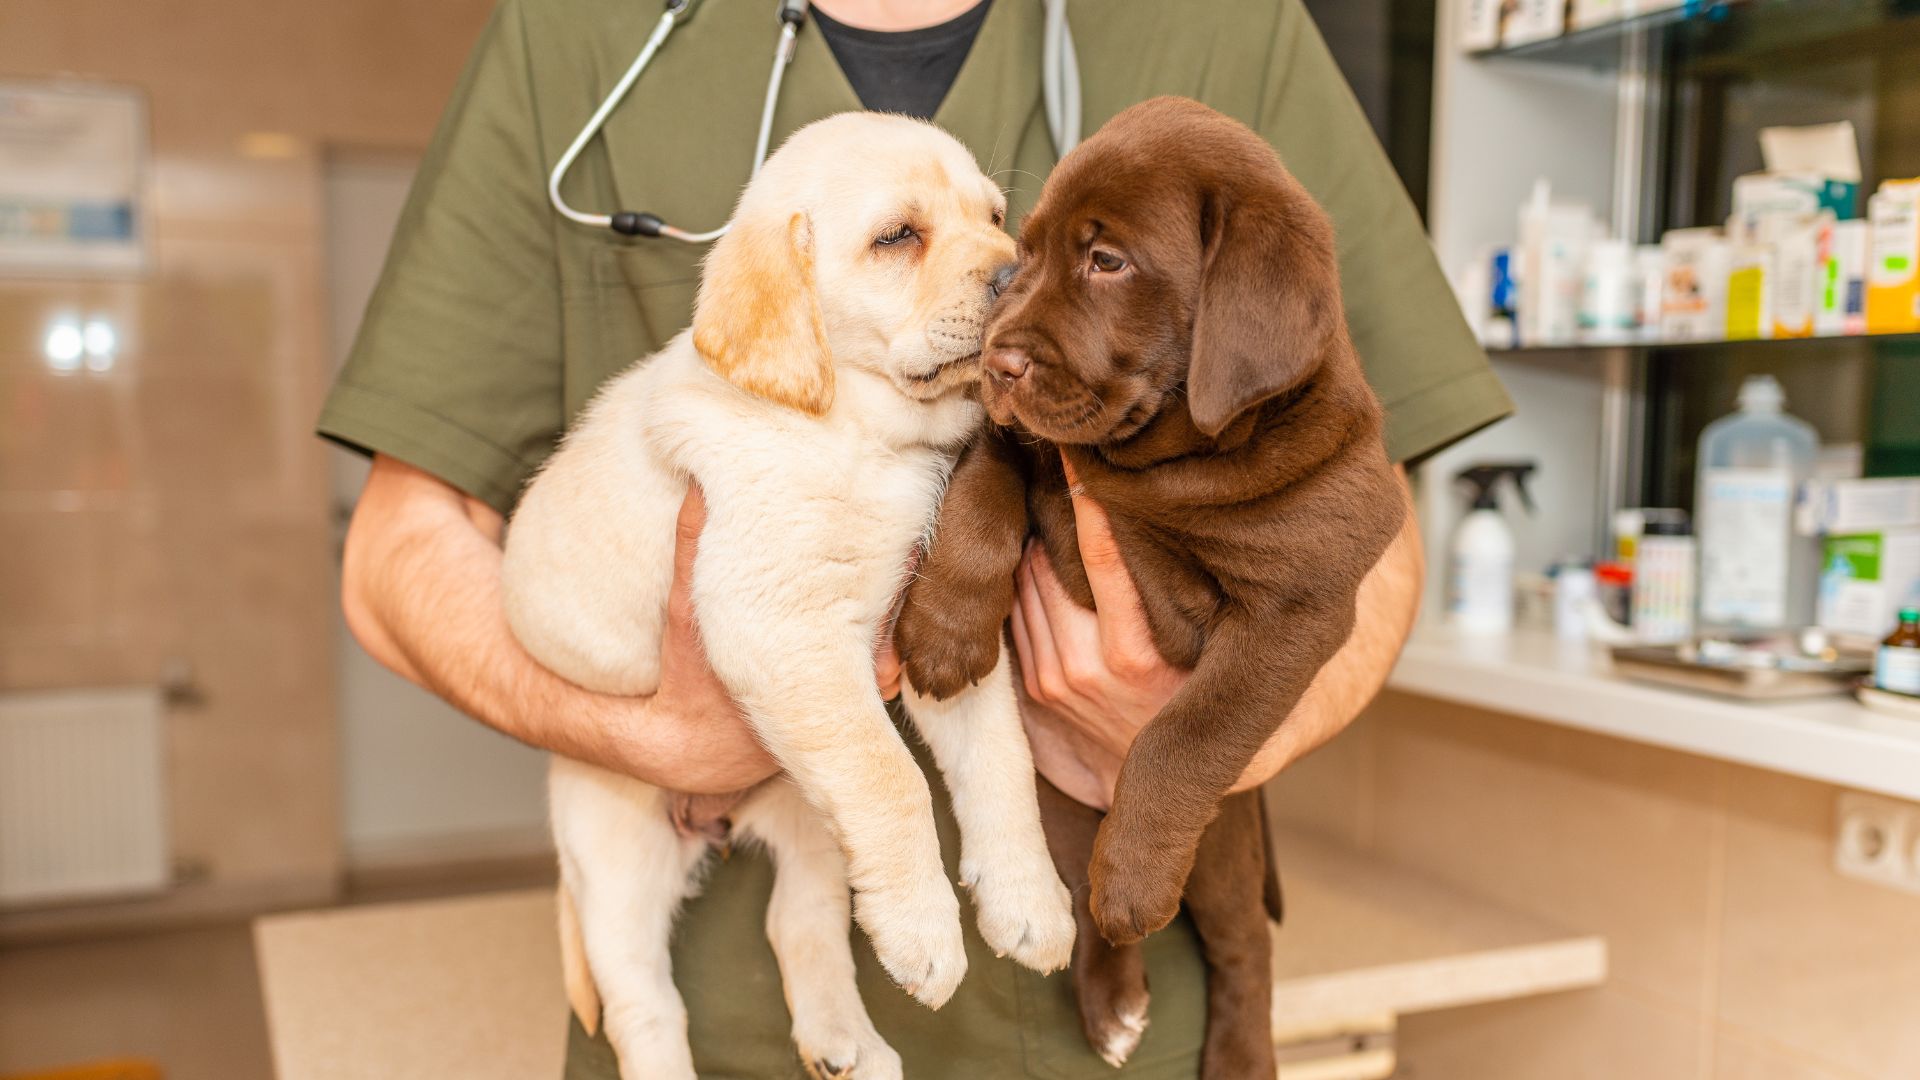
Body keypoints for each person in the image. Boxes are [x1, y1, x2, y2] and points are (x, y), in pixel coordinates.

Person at [321, 1, 1513, 1076]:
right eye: (900, 238)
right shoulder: (573, 34)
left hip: (1113, 1013)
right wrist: (652, 728)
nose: (1001, 278)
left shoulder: (1220, 25)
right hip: (727, 1018)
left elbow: (1370, 524)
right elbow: (394, 554)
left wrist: (1192, 749)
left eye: (1006, 226)